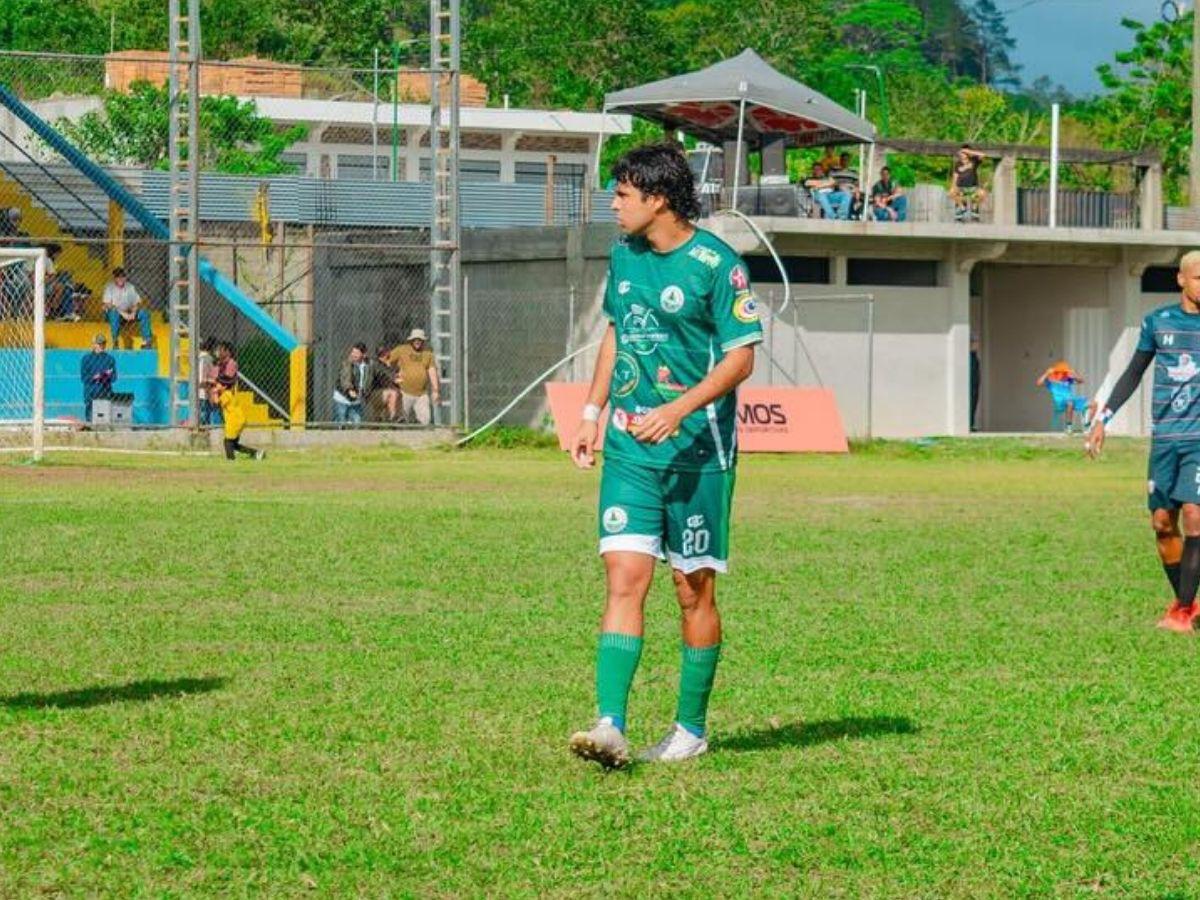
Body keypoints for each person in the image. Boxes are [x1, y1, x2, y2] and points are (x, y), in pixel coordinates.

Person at [568, 142, 762, 769]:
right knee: (625, 577)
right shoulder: (624, 256)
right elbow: (616, 334)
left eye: (623, 194)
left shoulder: (716, 264)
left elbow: (741, 357)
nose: (614, 204)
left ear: (657, 199)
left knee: (691, 591)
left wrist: (677, 410)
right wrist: (593, 412)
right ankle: (609, 723)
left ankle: (690, 730)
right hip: (629, 447)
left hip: (698, 452)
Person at [1087, 251, 1200, 632]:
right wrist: (1102, 418)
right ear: (1181, 280)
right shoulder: (1158, 323)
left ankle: (1182, 612)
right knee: (1163, 524)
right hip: (1165, 439)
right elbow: (1133, 374)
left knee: (1195, 516)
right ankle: (1187, 601)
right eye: (1198, 277)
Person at [387, 328, 440, 425]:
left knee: (425, 421)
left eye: (420, 339)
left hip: (421, 394)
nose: (417, 341)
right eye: (415, 339)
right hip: (404, 392)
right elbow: (386, 362)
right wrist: (392, 376)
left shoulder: (428, 353)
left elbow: (432, 372)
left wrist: (436, 391)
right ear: (411, 340)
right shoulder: (401, 350)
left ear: (423, 341)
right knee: (400, 422)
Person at [102, 267, 154, 349]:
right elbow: (107, 305)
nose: (120, 279)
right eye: (118, 276)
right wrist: (123, 314)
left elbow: (137, 302)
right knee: (113, 312)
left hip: (128, 313)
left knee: (144, 313)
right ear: (114, 278)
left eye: (122, 276)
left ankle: (146, 341)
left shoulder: (130, 287)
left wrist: (133, 312)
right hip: (115, 314)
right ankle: (115, 341)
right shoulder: (109, 287)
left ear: (125, 277)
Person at [1037, 360, 1086, 432]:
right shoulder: (1051, 380)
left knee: (1091, 404)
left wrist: (1074, 374)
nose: (1063, 374)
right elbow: (1038, 383)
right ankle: (1069, 427)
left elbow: (1081, 381)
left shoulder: (1067, 379)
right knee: (1070, 403)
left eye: (1064, 372)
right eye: (1061, 372)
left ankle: (1087, 427)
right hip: (1060, 402)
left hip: (1070, 400)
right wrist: (1046, 373)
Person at [80, 333, 116, 423]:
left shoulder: (110, 359)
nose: (101, 346)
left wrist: (106, 376)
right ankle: (89, 423)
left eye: (103, 344)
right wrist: (95, 377)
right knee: (90, 414)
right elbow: (84, 378)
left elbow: (114, 377)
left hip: (105, 390)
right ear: (94, 344)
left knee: (105, 417)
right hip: (91, 391)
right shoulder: (86, 358)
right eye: (99, 344)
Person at [334, 342, 371, 426]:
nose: (353, 355)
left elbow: (380, 371)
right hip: (342, 398)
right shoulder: (347, 363)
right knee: (340, 424)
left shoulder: (369, 365)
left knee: (357, 423)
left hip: (356, 401)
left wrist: (393, 378)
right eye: (353, 352)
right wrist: (349, 389)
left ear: (364, 354)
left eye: (356, 353)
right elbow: (345, 376)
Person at [950, 145, 988, 221]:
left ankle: (974, 208)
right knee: (951, 192)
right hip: (961, 187)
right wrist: (953, 186)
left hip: (973, 187)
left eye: (964, 152)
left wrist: (968, 151)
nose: (962, 154)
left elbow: (983, 155)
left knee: (982, 193)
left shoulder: (974, 160)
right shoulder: (958, 163)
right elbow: (955, 176)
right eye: (962, 152)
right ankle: (962, 208)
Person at [832, 152, 862, 218]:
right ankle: (843, 216)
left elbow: (857, 184)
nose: (844, 162)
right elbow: (831, 183)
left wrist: (854, 188)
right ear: (840, 160)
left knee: (856, 194)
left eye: (846, 160)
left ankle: (852, 216)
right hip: (838, 191)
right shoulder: (834, 171)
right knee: (846, 192)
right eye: (843, 160)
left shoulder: (854, 172)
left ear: (849, 161)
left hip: (851, 190)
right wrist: (842, 186)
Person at [969, 333, 981, 432]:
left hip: (975, 385)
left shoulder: (974, 357)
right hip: (970, 386)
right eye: (975, 342)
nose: (977, 345)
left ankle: (972, 423)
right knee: (970, 403)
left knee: (974, 403)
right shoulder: (968, 357)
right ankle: (969, 424)